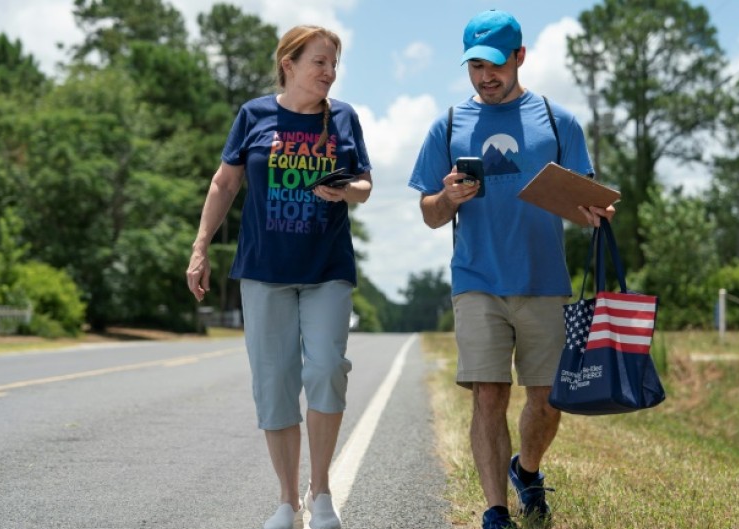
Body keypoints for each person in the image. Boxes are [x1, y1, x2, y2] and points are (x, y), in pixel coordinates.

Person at [408, 9, 614, 529]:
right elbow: (430, 215)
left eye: (495, 64)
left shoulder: (558, 121)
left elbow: (583, 203)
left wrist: (595, 212)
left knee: (547, 401)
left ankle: (526, 468)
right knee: (488, 393)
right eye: (475, 66)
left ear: (520, 57)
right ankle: (495, 508)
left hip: (544, 281)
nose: (485, 76)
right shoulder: (449, 125)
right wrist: (448, 198)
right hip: (476, 280)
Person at [186, 25, 372, 529]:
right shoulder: (254, 114)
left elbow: (364, 184)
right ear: (289, 63)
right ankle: (287, 501)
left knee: (327, 368)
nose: (329, 73)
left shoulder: (343, 118)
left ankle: (322, 492)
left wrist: (345, 191)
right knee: (275, 383)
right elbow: (225, 182)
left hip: (326, 268)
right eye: (319, 62)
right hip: (264, 271)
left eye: (334, 64)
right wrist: (200, 247)